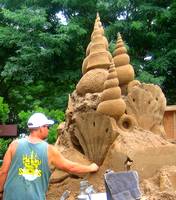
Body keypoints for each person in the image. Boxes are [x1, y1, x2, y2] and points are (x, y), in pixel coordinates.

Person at [0, 113, 99, 200]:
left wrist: (0, 191)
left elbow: (3, 172)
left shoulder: (15, 144)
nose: (48, 129)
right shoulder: (49, 150)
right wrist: (90, 167)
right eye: (47, 127)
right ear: (40, 128)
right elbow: (70, 167)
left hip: (10, 196)